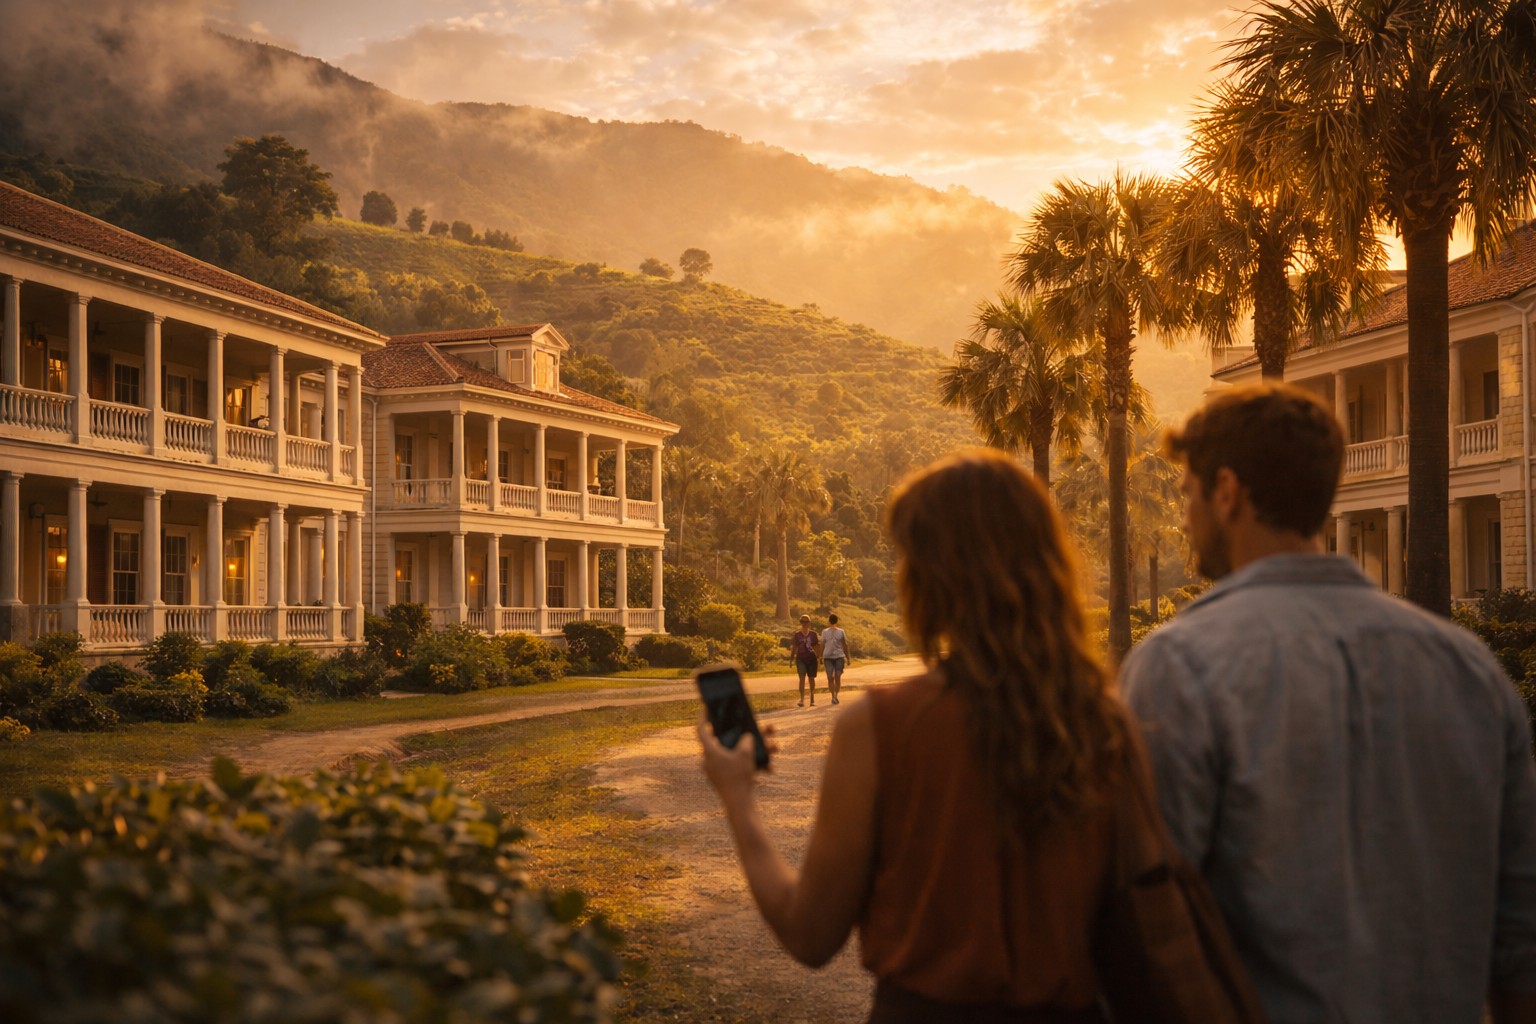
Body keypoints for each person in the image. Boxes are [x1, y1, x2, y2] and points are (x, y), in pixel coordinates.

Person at [1121, 384, 1536, 1024]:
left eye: (1187, 494)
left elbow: (1149, 919)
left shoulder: (1179, 666)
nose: (1183, 518)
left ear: (1227, 492)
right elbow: (1519, 937)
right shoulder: (1470, 670)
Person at [698, 450, 1131, 1022]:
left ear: (930, 579)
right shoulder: (1109, 723)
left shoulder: (880, 726)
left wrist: (737, 798)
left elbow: (810, 935)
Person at [820, 613, 850, 704]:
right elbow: (844, 645)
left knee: (833, 677)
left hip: (838, 656)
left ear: (829, 621)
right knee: (833, 678)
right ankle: (834, 696)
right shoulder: (825, 632)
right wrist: (848, 658)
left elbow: (844, 645)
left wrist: (820, 656)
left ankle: (835, 696)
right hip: (829, 657)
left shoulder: (840, 631)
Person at [791, 615, 820, 707]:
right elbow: (794, 647)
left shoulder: (813, 634)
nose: (804, 623)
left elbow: (816, 646)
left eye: (806, 621)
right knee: (802, 678)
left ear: (809, 623)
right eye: (802, 621)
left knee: (811, 678)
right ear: (801, 622)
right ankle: (802, 699)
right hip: (801, 658)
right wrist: (791, 658)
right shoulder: (797, 634)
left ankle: (812, 699)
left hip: (812, 658)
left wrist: (820, 657)